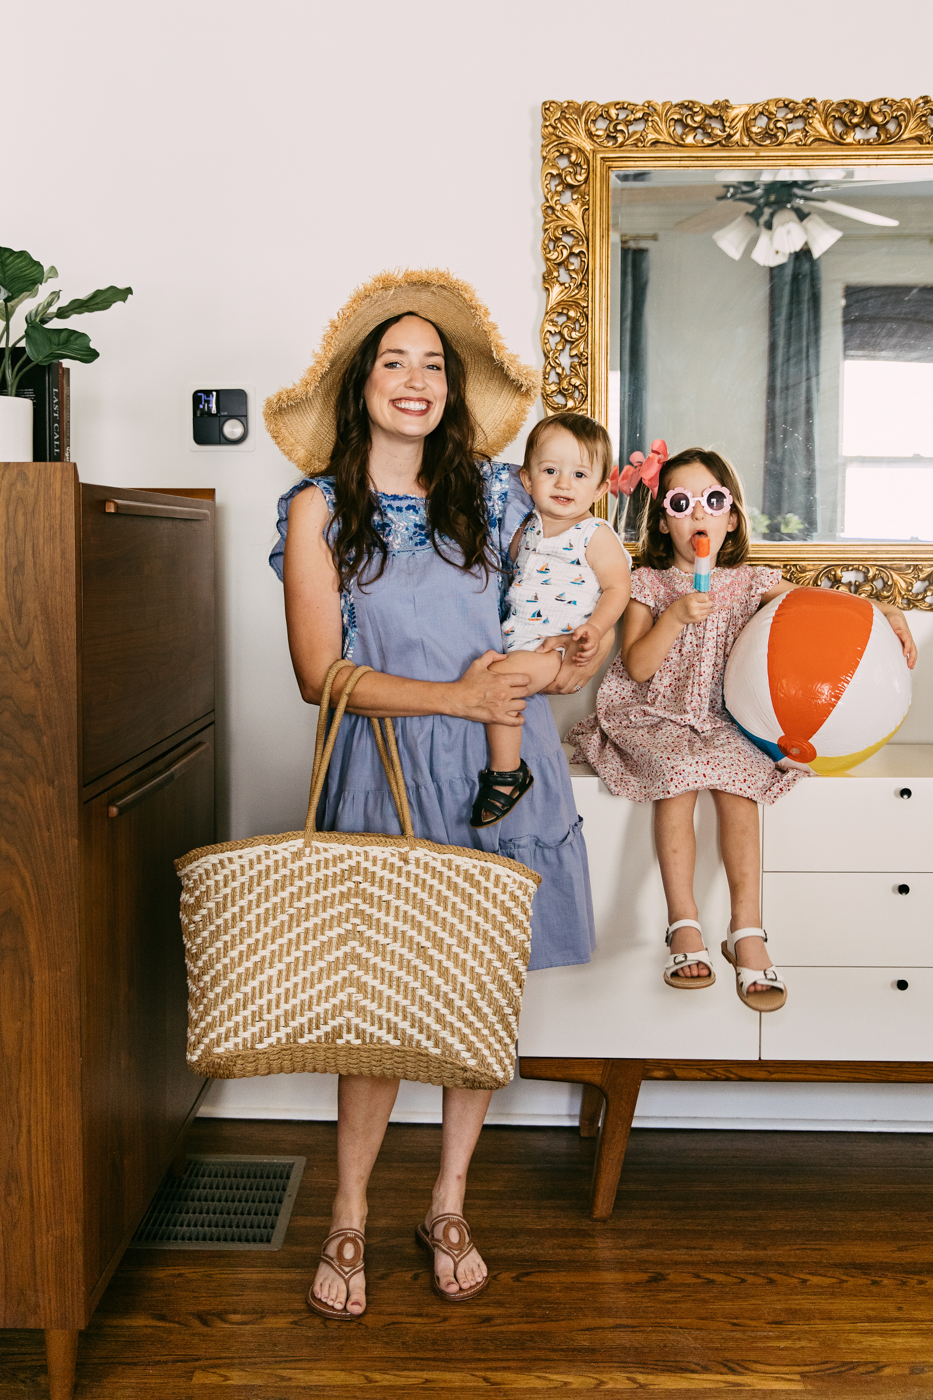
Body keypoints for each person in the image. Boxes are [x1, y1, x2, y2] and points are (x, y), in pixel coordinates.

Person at [265, 269, 614, 1318]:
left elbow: (570, 623)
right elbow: (317, 675)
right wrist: (457, 700)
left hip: (504, 777)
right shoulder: (319, 506)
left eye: (432, 364)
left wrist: (569, 660)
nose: (413, 380)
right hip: (389, 774)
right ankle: (351, 1211)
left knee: (477, 1004)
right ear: (361, 386)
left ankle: (449, 1202)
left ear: (451, 390)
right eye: (392, 361)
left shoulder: (504, 493)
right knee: (379, 1009)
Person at [569, 446, 917, 1013]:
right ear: (664, 521)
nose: (698, 515)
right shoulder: (649, 585)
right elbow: (636, 666)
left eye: (713, 501)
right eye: (681, 503)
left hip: (725, 720)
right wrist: (677, 614)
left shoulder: (749, 583)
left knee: (741, 785)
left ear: (731, 518)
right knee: (678, 778)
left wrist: (884, 612)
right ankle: (682, 923)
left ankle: (746, 929)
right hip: (656, 715)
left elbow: (821, 608)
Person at [470, 411, 631, 827]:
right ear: (527, 480)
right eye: (550, 470)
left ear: (600, 486)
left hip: (555, 646)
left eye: (580, 475)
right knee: (493, 673)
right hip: (519, 636)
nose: (564, 483)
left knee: (502, 680)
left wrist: (595, 630)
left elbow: (617, 587)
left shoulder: (594, 534)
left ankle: (507, 773)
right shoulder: (525, 531)